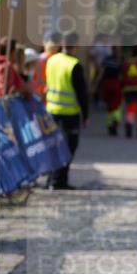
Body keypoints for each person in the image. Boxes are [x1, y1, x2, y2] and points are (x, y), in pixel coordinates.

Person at [44, 32, 89, 190]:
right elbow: (82, 93)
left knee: (53, 146)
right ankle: (59, 181)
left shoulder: (52, 60)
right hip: (69, 114)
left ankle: (51, 179)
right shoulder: (74, 64)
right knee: (68, 148)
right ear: (75, 45)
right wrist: (86, 115)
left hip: (51, 111)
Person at [95, 45, 123, 135]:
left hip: (107, 84)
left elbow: (101, 72)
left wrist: (96, 83)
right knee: (116, 105)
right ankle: (115, 121)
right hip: (116, 84)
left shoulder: (107, 59)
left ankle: (110, 124)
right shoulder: (121, 60)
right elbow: (124, 73)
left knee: (109, 106)